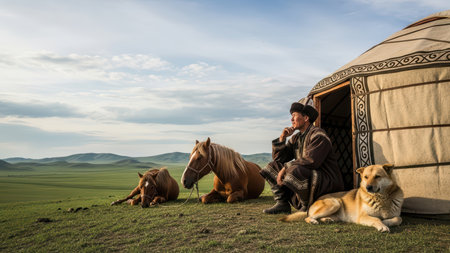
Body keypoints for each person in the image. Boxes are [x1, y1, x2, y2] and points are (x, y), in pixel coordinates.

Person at [260, 100, 344, 214]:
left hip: (326, 181)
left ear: (305, 118)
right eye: (291, 116)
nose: (291, 119)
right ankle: (282, 203)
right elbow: (279, 159)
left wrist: (285, 168)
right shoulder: (296, 138)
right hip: (308, 177)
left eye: (294, 115)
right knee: (272, 166)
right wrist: (282, 138)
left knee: (295, 170)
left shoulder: (319, 135)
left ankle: (306, 207)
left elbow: (311, 160)